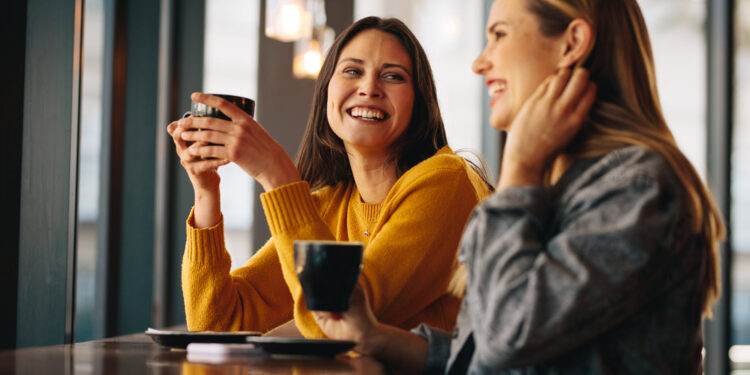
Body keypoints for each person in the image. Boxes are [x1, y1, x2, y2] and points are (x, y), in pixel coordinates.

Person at [312, 0, 725, 373]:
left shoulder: (635, 187)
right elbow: (481, 356)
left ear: (572, 43)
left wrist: (519, 169)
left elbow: (508, 340)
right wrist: (375, 337)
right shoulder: (561, 186)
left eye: (499, 35)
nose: (479, 62)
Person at [166, 16, 492, 338]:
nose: (369, 88)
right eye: (352, 71)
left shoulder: (445, 182)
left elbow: (341, 320)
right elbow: (218, 325)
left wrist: (276, 173)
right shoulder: (328, 207)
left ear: (419, 102)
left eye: (393, 76)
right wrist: (206, 191)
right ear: (326, 93)